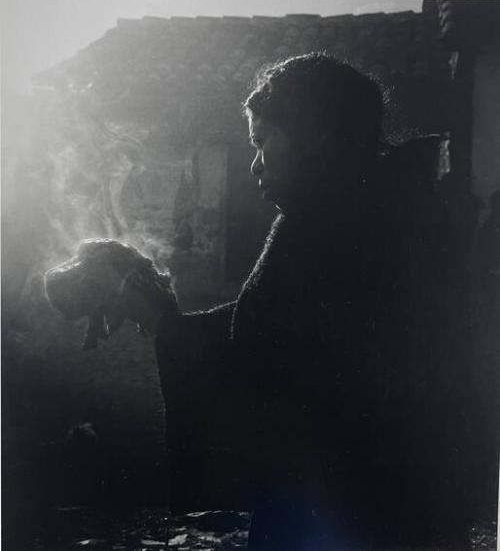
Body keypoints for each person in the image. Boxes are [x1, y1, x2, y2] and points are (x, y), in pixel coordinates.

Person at [50, 53, 470, 549]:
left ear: (315, 134)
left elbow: (271, 367)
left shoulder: (326, 226)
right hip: (397, 503)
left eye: (262, 140)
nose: (254, 163)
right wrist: (164, 315)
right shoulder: (384, 205)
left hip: (343, 511)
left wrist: (161, 319)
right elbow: (275, 326)